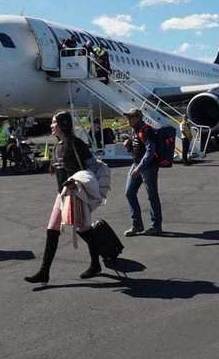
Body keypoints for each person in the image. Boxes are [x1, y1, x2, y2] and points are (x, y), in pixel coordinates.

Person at [25, 111, 105, 284]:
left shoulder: (76, 144)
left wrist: (78, 180)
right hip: (61, 194)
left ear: (62, 125)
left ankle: (97, 262)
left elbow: (92, 167)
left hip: (75, 194)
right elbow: (61, 164)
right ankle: (44, 272)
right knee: (52, 229)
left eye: (54, 123)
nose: (51, 126)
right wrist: (53, 167)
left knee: (83, 229)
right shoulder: (58, 145)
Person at [122, 108, 163, 236]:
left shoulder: (146, 130)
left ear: (138, 117)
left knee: (152, 196)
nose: (128, 119)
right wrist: (128, 146)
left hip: (148, 167)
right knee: (129, 192)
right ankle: (137, 225)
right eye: (128, 117)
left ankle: (156, 226)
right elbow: (137, 149)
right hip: (136, 165)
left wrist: (139, 168)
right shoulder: (134, 131)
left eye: (130, 117)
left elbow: (150, 151)